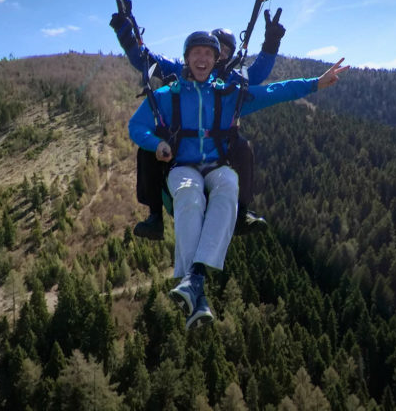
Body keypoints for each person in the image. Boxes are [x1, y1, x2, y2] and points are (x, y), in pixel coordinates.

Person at [128, 30, 349, 329]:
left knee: (229, 184)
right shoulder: (168, 96)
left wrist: (314, 84)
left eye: (209, 54)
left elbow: (274, 92)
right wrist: (158, 145)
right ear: (187, 59)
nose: (202, 59)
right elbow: (136, 126)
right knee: (189, 193)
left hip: (217, 165)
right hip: (182, 165)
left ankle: (195, 283)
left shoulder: (228, 94)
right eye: (197, 54)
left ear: (217, 59)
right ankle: (196, 284)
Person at [112, 7, 286, 239]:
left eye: (226, 51)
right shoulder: (180, 69)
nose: (221, 54)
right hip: (179, 144)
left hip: (218, 146)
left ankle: (242, 212)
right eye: (217, 47)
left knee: (243, 148)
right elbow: (145, 61)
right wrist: (125, 33)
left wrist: (271, 43)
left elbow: (257, 74)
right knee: (147, 152)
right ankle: (154, 217)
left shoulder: (232, 78)